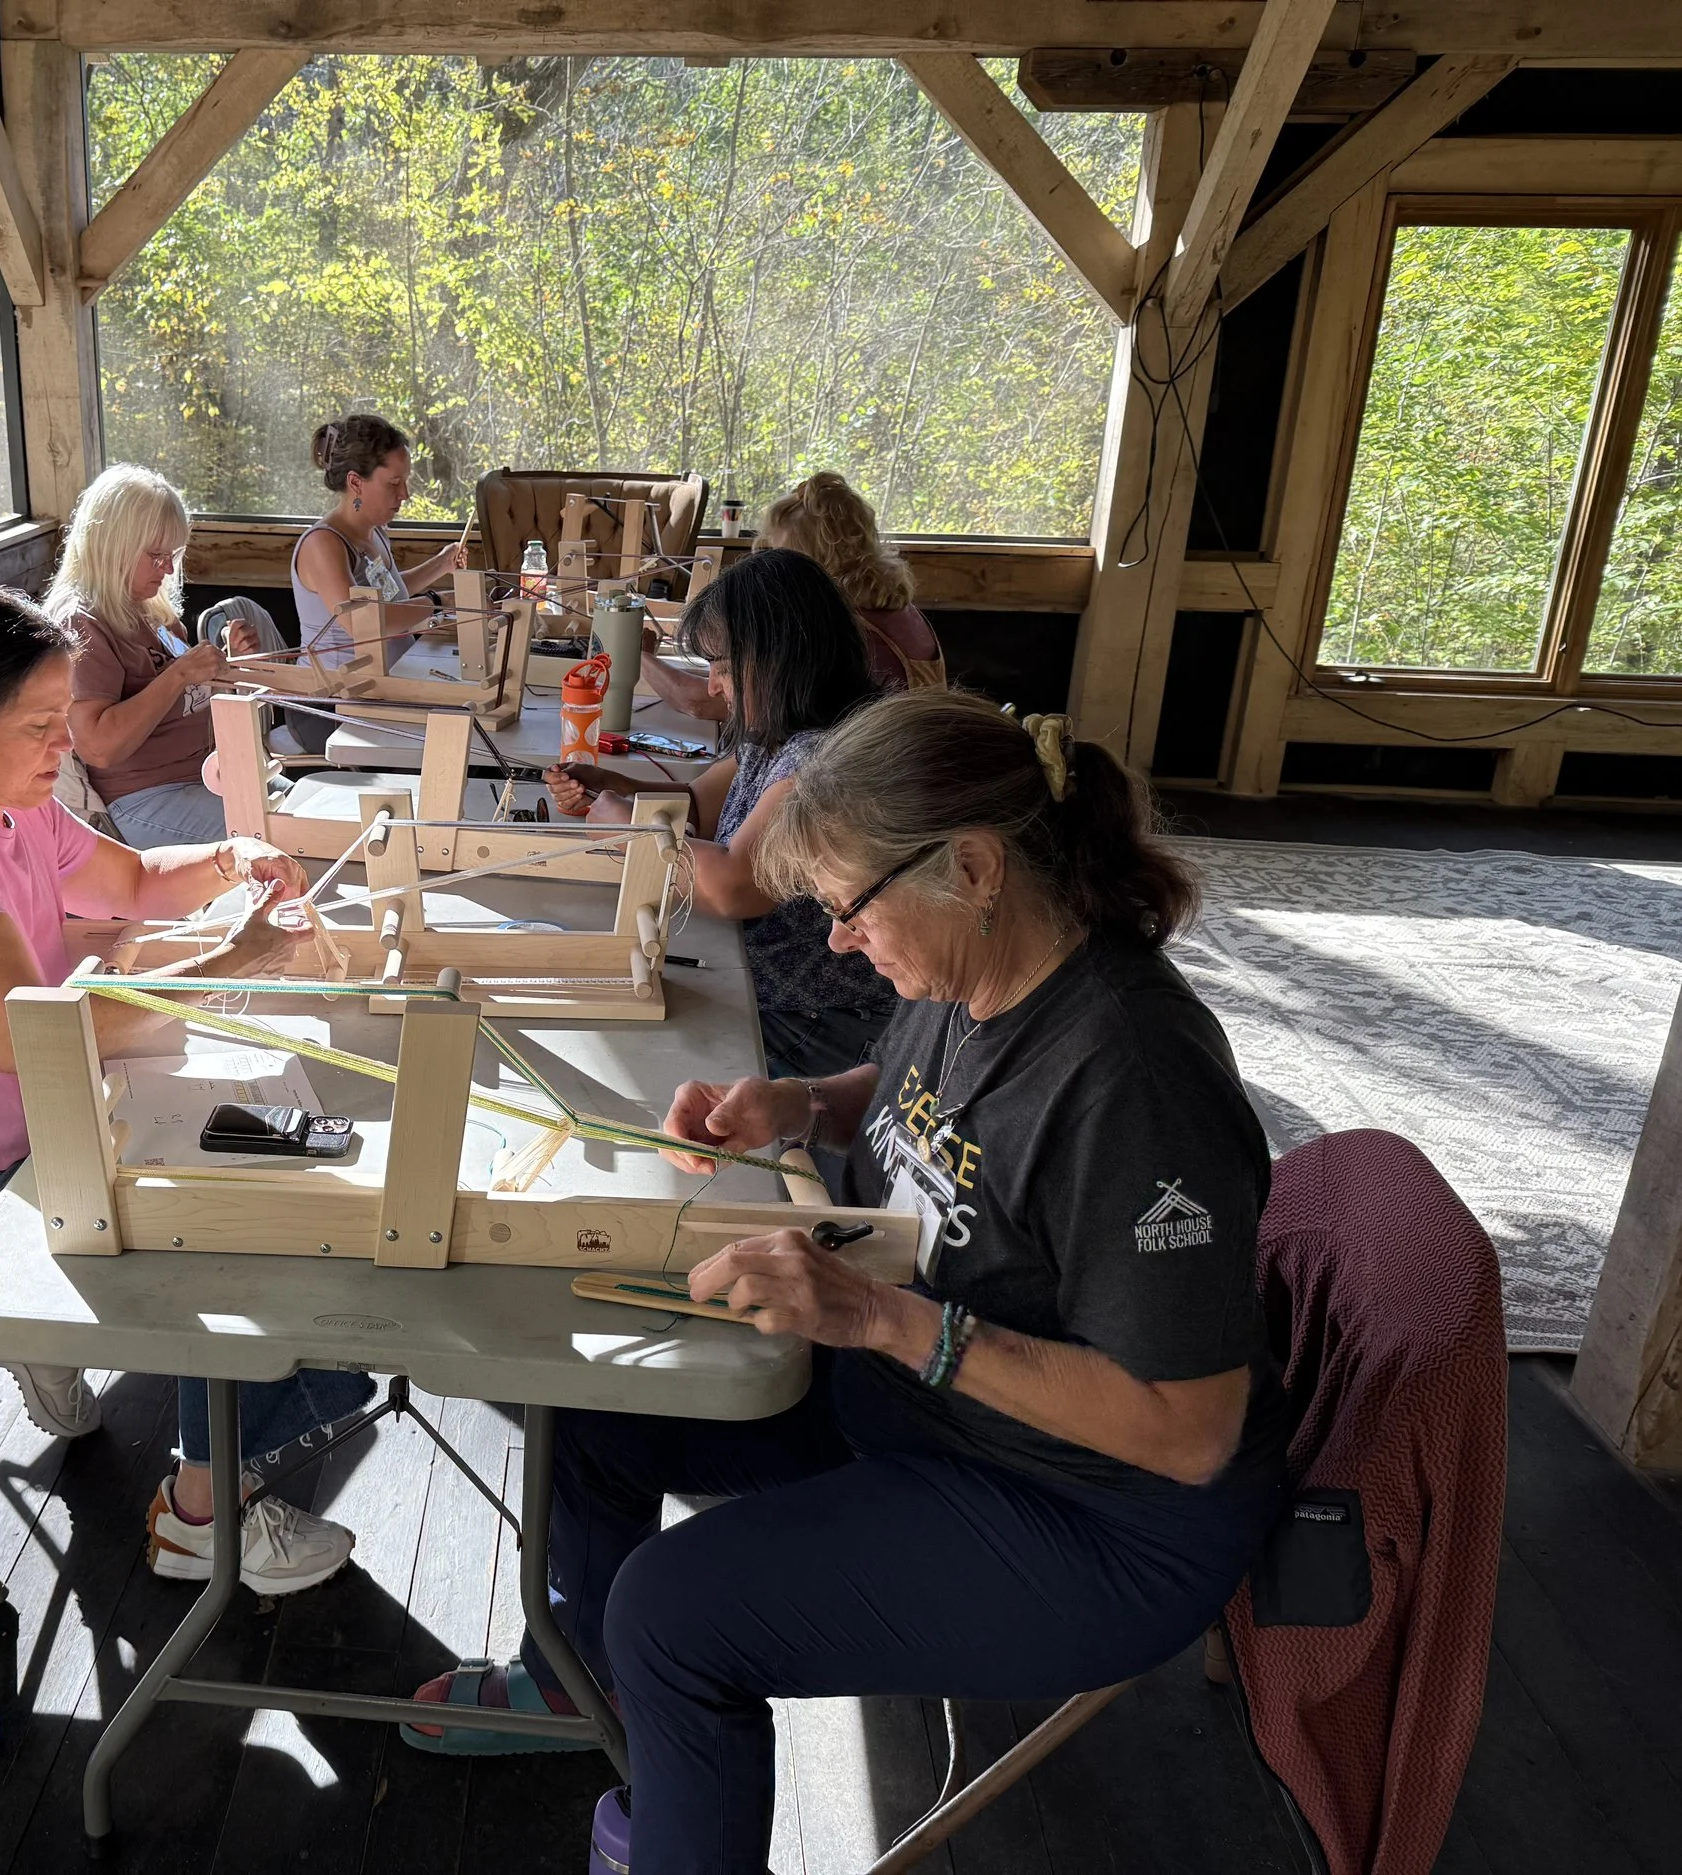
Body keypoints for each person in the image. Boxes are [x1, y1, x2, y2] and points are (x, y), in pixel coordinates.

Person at [409, 691, 1287, 1875]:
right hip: (933, 1407)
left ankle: (671, 1785)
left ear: (972, 866)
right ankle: (605, 1703)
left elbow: (1185, 1433)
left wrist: (880, 1316)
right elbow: (924, 1094)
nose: (832, 939)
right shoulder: (977, 972)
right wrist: (804, 1105)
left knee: (677, 1617)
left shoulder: (1135, 1080)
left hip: (1095, 1514)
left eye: (849, 906)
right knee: (593, 1415)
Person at [0, 580, 368, 1594]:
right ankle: (205, 1510)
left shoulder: (10, 808)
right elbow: (36, 1042)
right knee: (216, 1225)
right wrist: (231, 961)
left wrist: (237, 855)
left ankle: (221, 1442)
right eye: (36, 727)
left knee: (295, 1167)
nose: (61, 746)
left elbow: (137, 880)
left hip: (32, 1137)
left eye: (62, 721)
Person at [545, 549, 897, 1082]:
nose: (712, 685)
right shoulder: (774, 731)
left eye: (723, 668)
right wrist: (613, 790)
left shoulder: (826, 759)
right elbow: (698, 808)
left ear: (777, 659)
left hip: (815, 1019)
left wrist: (629, 827)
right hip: (760, 984)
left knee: (631, 1062)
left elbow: (734, 886)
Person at [47, 464, 257, 849]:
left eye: (173, 554)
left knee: (312, 809)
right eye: (157, 555)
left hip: (206, 776)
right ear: (113, 545)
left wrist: (226, 665)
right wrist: (178, 675)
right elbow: (98, 747)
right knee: (282, 836)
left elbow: (188, 698)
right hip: (142, 800)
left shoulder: (151, 609)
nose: (169, 569)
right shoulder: (81, 621)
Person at [642, 471, 945, 717]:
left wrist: (634, 654)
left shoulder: (836, 631)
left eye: (779, 556)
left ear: (808, 565)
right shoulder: (893, 607)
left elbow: (706, 703)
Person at [290, 413, 465, 671]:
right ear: (355, 482)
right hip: (333, 699)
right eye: (394, 483)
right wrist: (438, 602)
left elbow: (388, 594)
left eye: (405, 481)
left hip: (383, 687)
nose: (405, 494)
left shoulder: (375, 531)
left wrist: (441, 564)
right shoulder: (323, 544)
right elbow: (362, 622)